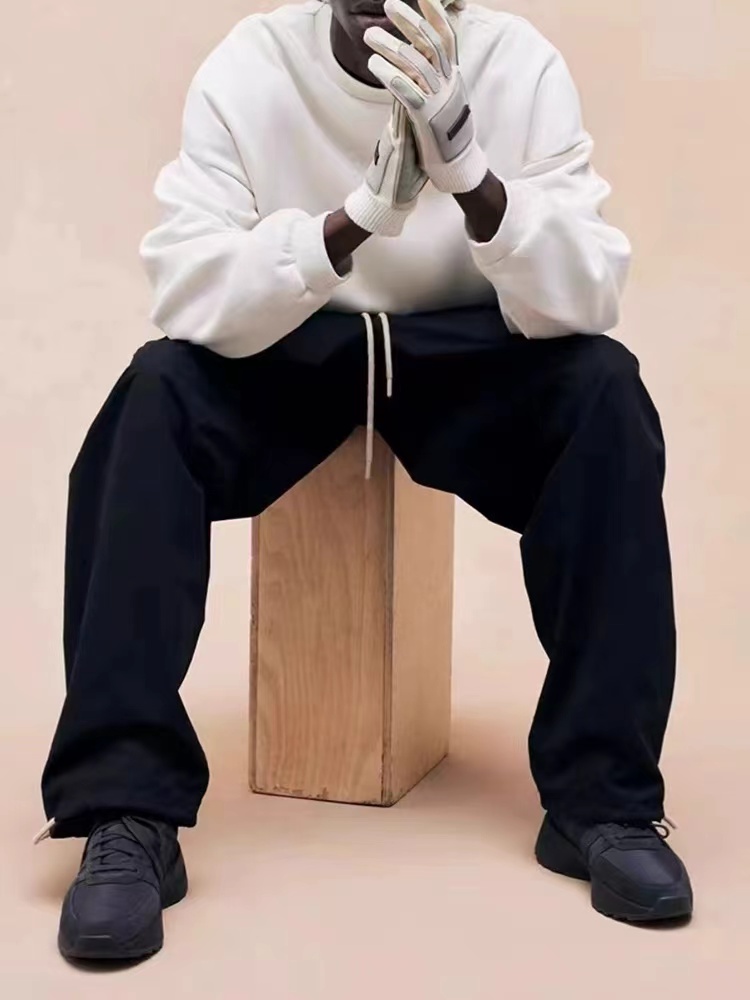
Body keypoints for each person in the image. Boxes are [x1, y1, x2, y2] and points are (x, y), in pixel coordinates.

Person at [38, 0, 693, 963]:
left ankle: (607, 800)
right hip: (292, 345)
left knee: (607, 394)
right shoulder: (252, 65)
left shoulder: (519, 65)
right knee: (150, 399)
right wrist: (352, 224)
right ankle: (122, 809)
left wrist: (472, 177)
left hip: (467, 353)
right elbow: (185, 288)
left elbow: (590, 293)